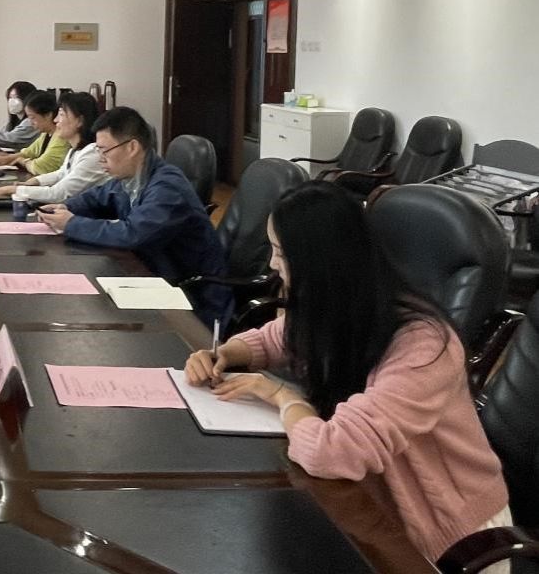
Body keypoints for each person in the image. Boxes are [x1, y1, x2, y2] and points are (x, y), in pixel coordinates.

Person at [184, 182, 510, 570]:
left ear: (320, 260)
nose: (272, 264)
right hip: (368, 499)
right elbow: (278, 337)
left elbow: (331, 451)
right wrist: (225, 353)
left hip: (448, 536)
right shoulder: (343, 305)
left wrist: (285, 398)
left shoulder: (424, 346)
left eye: (281, 253)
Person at [37, 106, 230, 326]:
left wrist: (71, 224)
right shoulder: (131, 177)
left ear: (132, 147)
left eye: (104, 150)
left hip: (190, 296)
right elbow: (98, 197)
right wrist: (63, 207)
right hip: (152, 275)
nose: (100, 159)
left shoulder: (167, 187)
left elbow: (133, 233)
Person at [0, 92, 105, 204]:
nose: (56, 120)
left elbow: (57, 194)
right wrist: (32, 182)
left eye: (61, 115)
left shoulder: (92, 155)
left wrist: (11, 190)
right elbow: (61, 173)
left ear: (79, 121)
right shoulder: (76, 150)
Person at [0, 90, 67, 175]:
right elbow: (29, 152)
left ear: (48, 115)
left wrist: (20, 160)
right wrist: (8, 157)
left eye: (32, 117)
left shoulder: (61, 137)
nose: (31, 122)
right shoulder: (46, 133)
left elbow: (40, 167)